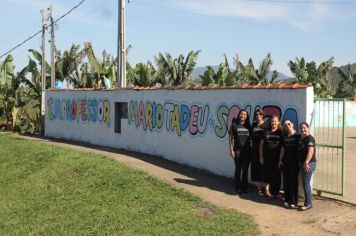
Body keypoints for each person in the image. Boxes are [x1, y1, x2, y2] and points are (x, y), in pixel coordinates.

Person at [259, 115, 283, 199]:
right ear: (270, 122)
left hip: (277, 158)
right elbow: (261, 145)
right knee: (267, 174)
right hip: (267, 157)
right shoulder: (266, 131)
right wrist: (261, 157)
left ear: (278, 122)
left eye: (275, 121)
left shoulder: (281, 132)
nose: (274, 123)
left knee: (276, 175)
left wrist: (281, 159)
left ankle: (276, 193)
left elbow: (283, 146)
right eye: (272, 121)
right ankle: (267, 191)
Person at [279, 120, 300, 209]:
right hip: (285, 162)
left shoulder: (298, 136)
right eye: (285, 125)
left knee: (293, 182)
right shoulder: (285, 137)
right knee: (286, 182)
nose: (287, 126)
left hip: (295, 163)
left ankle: (294, 202)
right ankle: (287, 200)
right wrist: (280, 160)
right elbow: (282, 149)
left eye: (289, 124)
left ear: (292, 124)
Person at [228, 109, 251, 194]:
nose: (243, 115)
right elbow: (230, 138)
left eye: (245, 114)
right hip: (237, 150)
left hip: (247, 151)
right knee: (238, 169)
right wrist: (231, 149)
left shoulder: (248, 126)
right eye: (241, 114)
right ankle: (237, 187)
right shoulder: (234, 125)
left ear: (246, 116)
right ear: (239, 115)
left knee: (245, 169)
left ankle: (244, 187)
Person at [298, 122, 317, 211]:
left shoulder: (310, 138)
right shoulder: (303, 138)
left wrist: (306, 163)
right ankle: (308, 202)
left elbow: (310, 152)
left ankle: (308, 203)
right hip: (303, 163)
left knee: (306, 183)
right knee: (305, 183)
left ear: (308, 128)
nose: (303, 130)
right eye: (301, 128)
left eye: (304, 128)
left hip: (309, 164)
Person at [251, 109, 267, 195]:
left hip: (264, 150)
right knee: (256, 168)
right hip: (254, 150)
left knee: (264, 169)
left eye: (260, 114)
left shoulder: (266, 124)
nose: (258, 116)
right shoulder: (254, 125)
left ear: (262, 115)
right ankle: (259, 189)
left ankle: (267, 188)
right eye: (256, 114)